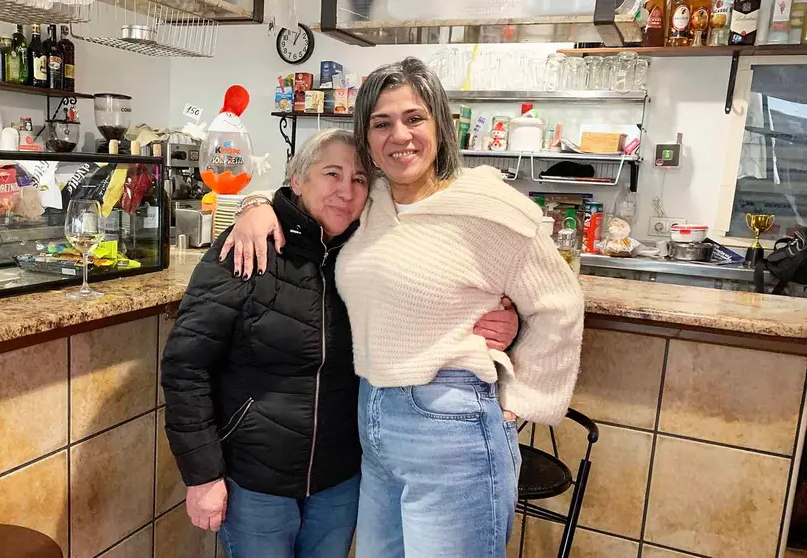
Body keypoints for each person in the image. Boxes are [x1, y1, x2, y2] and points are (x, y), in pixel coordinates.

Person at [222, 57, 585, 558]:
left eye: (414, 118)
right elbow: (309, 189)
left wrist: (521, 397)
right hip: (372, 424)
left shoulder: (489, 206)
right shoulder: (371, 202)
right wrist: (255, 205)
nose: (400, 135)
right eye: (381, 123)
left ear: (440, 124)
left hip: (452, 427)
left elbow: (560, 303)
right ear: (366, 137)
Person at [161, 129, 519, 558]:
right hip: (255, 480)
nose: (345, 192)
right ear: (297, 180)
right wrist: (203, 476)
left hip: (341, 478)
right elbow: (185, 366)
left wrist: (506, 322)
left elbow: (439, 311)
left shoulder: (372, 257)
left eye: (360, 180)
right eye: (332, 174)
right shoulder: (250, 247)